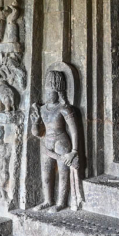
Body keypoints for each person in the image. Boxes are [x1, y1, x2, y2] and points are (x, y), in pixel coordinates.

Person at [31, 69, 81, 212]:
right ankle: (47, 200)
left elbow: (74, 130)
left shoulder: (64, 109)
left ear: (58, 92)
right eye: (46, 92)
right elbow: (37, 133)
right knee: (46, 175)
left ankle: (61, 202)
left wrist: (74, 151)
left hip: (62, 143)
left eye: (51, 92)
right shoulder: (42, 109)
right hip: (47, 142)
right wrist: (35, 123)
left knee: (63, 174)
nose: (48, 95)